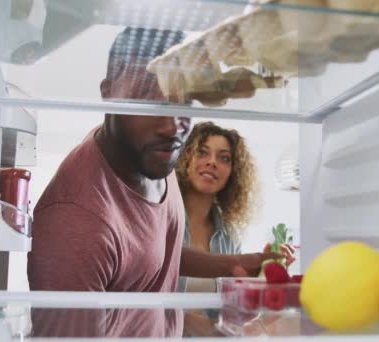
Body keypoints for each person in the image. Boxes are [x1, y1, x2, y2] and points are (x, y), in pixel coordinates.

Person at [27, 27, 283, 301]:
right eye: (149, 100)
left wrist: (240, 262)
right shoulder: (76, 223)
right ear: (109, 93)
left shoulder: (152, 156)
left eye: (185, 102)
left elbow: (157, 254)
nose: (173, 127)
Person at [175, 121, 259, 292]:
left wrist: (264, 272)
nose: (212, 162)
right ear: (185, 159)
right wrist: (194, 320)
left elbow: (235, 306)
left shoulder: (230, 236)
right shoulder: (161, 220)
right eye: (202, 152)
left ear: (232, 172)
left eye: (224, 158)